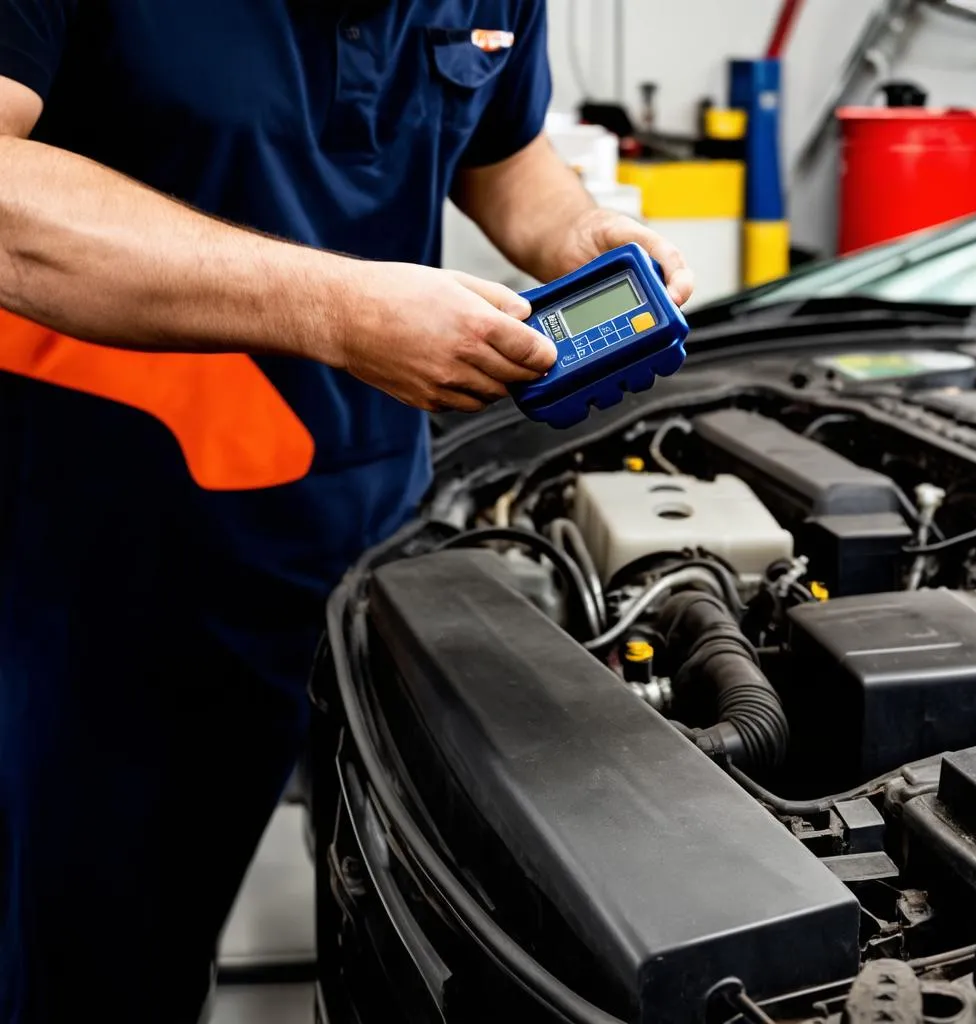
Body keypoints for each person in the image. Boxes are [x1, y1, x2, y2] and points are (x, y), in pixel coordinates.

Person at [0, 1, 694, 1020]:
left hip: (379, 544)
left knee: (387, 931)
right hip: (110, 564)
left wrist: (580, 231)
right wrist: (334, 307)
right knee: (99, 963)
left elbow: (503, 153)